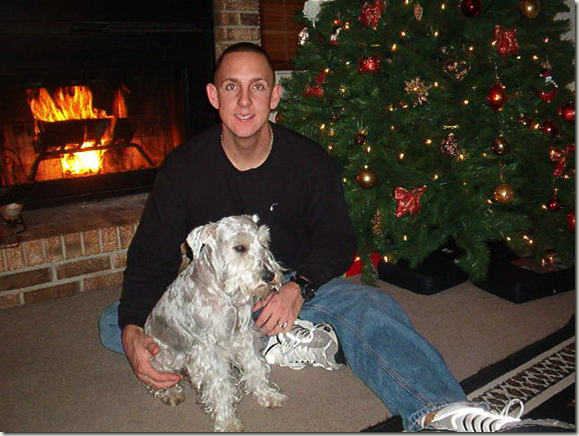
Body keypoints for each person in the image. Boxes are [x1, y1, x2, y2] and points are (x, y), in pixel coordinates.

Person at [99, 42, 573, 432]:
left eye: (257, 87)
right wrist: (132, 328)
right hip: (214, 298)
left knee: (373, 307)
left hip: (296, 285)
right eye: (231, 87)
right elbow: (151, 255)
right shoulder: (183, 169)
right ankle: (279, 342)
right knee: (113, 323)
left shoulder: (309, 161)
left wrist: (297, 289)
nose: (244, 101)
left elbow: (339, 240)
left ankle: (440, 412)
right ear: (212, 95)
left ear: (275, 96)